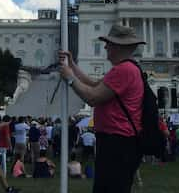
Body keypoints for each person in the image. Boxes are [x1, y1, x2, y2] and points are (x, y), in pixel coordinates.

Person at [60, 24, 145, 193]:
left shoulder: (124, 70)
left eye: (109, 43)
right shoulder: (126, 69)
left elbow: (92, 97)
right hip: (118, 141)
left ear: (119, 46)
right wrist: (72, 65)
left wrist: (70, 78)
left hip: (117, 142)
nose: (105, 47)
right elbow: (93, 84)